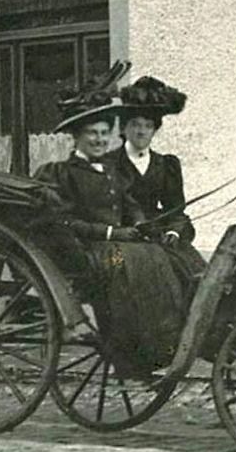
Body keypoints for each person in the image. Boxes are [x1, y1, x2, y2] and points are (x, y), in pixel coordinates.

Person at [32, 62, 190, 377]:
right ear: (76, 137)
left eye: (104, 133)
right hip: (88, 248)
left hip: (116, 243)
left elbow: (130, 205)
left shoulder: (112, 172)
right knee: (128, 263)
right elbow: (62, 222)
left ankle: (163, 345)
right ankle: (131, 355)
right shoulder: (60, 174)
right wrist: (109, 231)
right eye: (92, 133)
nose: (99, 140)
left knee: (156, 255)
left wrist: (143, 225)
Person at [106, 75, 208, 283]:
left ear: (154, 130)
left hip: (158, 238)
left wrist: (174, 231)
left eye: (148, 125)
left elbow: (176, 211)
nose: (141, 131)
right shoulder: (107, 163)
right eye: (135, 124)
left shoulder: (166, 165)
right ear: (124, 129)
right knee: (125, 276)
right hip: (120, 241)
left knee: (194, 275)